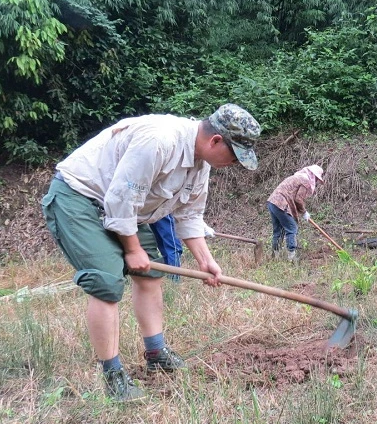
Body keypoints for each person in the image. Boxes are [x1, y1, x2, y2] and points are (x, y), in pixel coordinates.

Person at [41, 103, 261, 402]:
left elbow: (190, 215)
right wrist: (132, 249)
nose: (234, 164)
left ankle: (156, 352)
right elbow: (121, 197)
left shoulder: (200, 164)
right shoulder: (160, 140)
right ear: (216, 141)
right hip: (80, 198)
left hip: (129, 212)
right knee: (106, 282)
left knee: (151, 274)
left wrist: (206, 261)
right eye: (235, 157)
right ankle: (113, 375)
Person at [266, 165, 324, 261]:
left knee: (278, 231)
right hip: (281, 203)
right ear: (313, 176)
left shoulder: (297, 177)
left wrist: (300, 212)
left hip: (272, 202)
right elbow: (298, 199)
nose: (317, 181)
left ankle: (275, 257)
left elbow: (294, 198)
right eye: (317, 179)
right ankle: (291, 258)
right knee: (292, 228)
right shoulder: (306, 181)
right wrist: (304, 212)